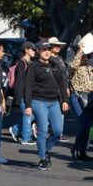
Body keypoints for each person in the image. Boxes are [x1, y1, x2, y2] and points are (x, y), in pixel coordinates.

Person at [24, 41, 69, 170]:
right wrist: (28, 105)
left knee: (57, 130)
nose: (47, 52)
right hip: (39, 101)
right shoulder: (33, 66)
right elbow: (28, 87)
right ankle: (42, 158)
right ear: (38, 51)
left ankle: (47, 149)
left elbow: (62, 84)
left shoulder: (54, 64)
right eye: (44, 50)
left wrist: (65, 100)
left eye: (49, 49)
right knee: (43, 130)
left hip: (54, 101)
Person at [66, 45, 93, 159]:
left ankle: (81, 151)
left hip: (89, 97)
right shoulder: (73, 68)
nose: (84, 58)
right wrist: (80, 50)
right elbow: (73, 66)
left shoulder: (90, 68)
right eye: (83, 55)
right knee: (84, 124)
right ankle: (75, 148)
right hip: (77, 97)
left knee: (87, 126)